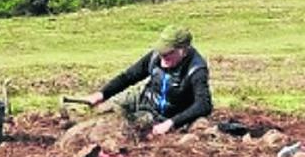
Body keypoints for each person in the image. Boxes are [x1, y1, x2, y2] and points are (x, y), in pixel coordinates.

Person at [83, 24, 212, 135]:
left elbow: (204, 105)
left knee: (132, 126)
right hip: (145, 97)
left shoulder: (196, 69)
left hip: (164, 114)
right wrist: (102, 94)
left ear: (183, 50)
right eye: (161, 54)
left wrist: (170, 123)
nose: (162, 60)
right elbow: (128, 77)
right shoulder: (155, 56)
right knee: (105, 109)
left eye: (168, 55)